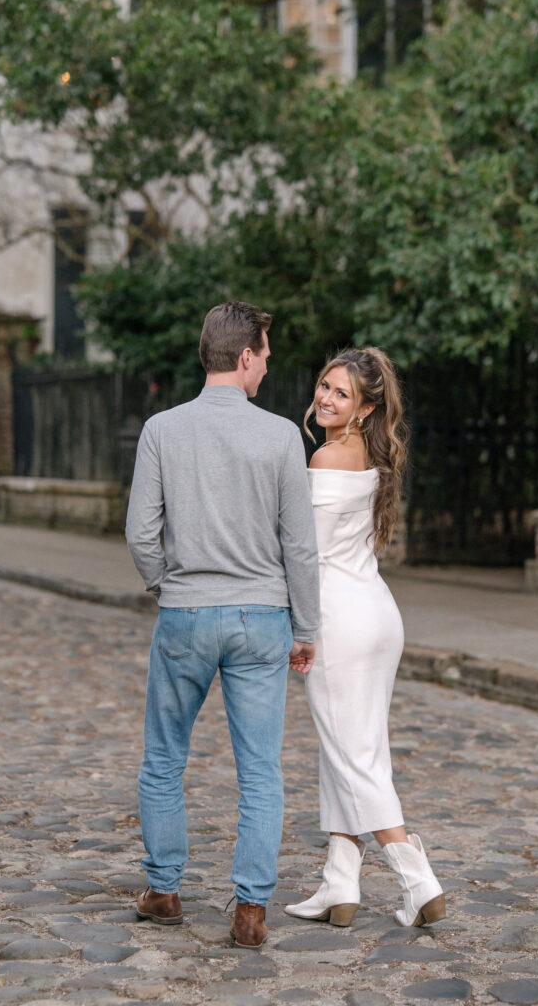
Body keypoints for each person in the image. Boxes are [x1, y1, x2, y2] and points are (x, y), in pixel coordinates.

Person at [125, 301, 320, 949]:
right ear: (243, 358)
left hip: (185, 613)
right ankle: (250, 910)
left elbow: (140, 533)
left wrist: (165, 580)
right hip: (261, 615)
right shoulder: (278, 436)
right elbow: (299, 545)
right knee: (260, 769)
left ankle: (164, 890)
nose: (267, 365)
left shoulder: (162, 429)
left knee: (163, 758)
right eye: (264, 354)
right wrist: (306, 626)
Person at [286, 348, 445, 929]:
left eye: (341, 393)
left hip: (339, 622)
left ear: (366, 406)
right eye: (324, 386)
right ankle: (339, 881)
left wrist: (293, 623)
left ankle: (415, 875)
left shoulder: (328, 455)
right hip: (377, 613)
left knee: (354, 755)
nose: (326, 399)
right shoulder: (373, 456)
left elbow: (302, 552)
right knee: (351, 745)